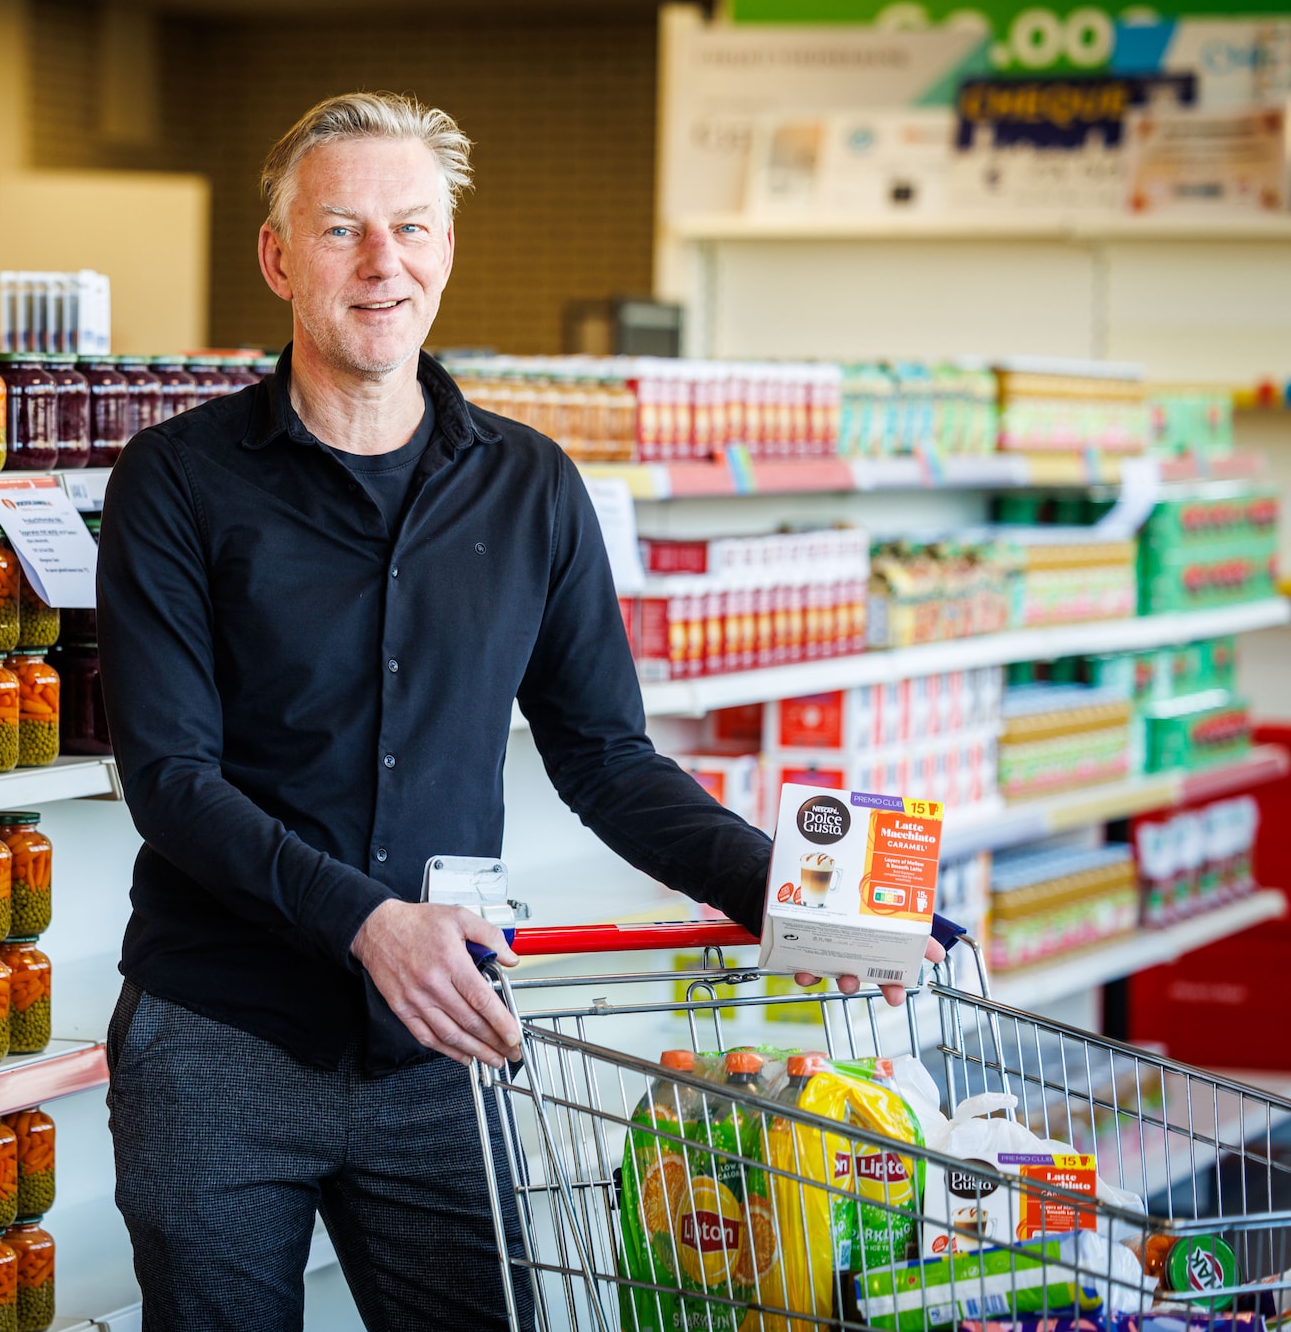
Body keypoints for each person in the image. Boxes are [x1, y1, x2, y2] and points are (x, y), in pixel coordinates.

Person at [96, 91, 939, 1332]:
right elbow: (168, 777)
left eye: (413, 227)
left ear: (446, 247)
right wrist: (369, 921)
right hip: (219, 1040)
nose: (383, 264)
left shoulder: (532, 485)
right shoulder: (176, 480)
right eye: (341, 231)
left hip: (440, 1047)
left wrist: (801, 901)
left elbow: (604, 759)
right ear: (278, 257)